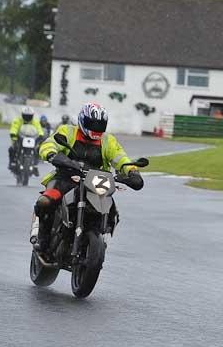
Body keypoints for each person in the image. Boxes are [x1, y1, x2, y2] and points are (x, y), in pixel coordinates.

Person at [30, 102, 143, 252]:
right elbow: (49, 144)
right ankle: (42, 239)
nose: (96, 128)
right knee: (45, 201)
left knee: (111, 208)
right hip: (65, 177)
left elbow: (121, 158)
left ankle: (99, 232)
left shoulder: (108, 141)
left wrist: (132, 172)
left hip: (96, 180)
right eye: (92, 123)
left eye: (100, 125)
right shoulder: (67, 131)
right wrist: (52, 154)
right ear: (82, 120)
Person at [8, 106, 44, 173]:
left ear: (32, 115)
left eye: (29, 116)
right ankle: (12, 162)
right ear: (22, 115)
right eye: (25, 115)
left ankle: (35, 165)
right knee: (12, 149)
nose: (27, 117)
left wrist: (41, 135)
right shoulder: (18, 120)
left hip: (31, 138)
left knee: (38, 149)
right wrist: (13, 134)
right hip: (19, 138)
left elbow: (39, 129)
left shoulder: (35, 121)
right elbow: (14, 128)